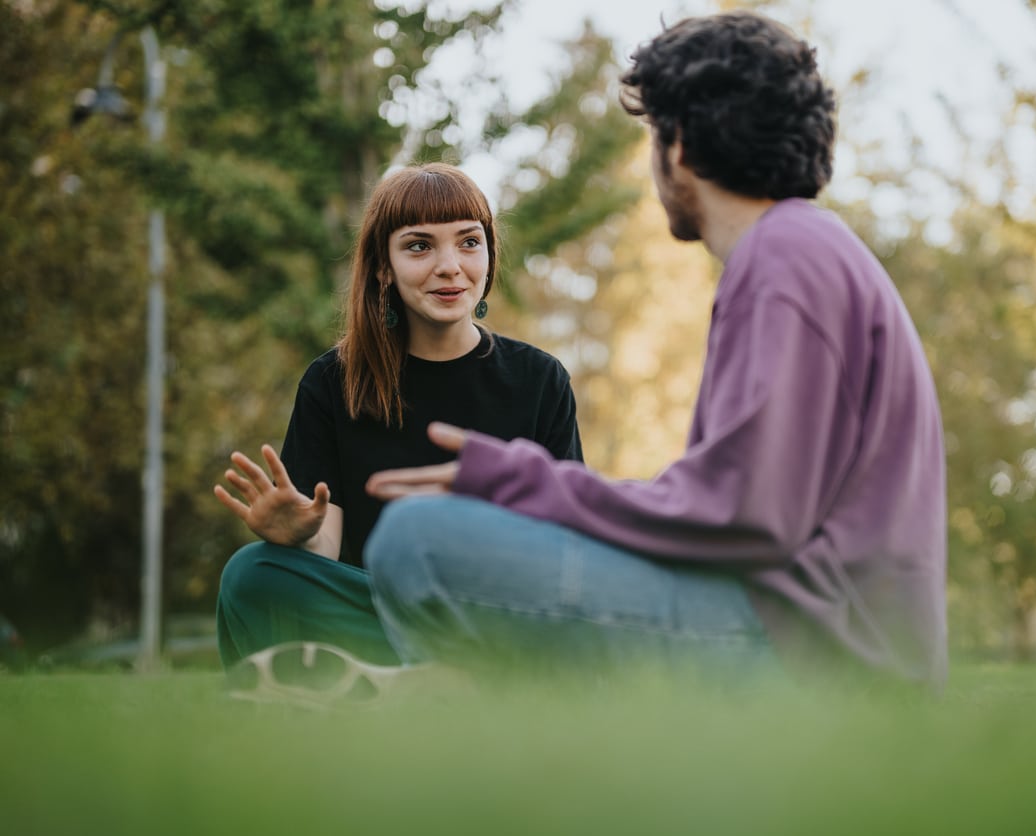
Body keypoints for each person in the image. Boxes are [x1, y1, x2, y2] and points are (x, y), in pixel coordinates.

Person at [355, 11, 948, 690]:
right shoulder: (811, 248)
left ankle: (460, 726)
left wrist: (520, 482)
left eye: (653, 137)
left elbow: (744, 515)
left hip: (812, 656)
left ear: (680, 146)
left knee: (418, 541)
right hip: (824, 638)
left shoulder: (784, 258)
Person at [213, 163, 584, 671]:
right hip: (381, 620)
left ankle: (440, 685)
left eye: (469, 242)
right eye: (419, 246)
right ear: (383, 266)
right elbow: (327, 547)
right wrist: (300, 538)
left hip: (498, 621)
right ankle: (426, 684)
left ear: (489, 256)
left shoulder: (542, 381)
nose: (451, 265)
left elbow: (566, 548)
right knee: (251, 574)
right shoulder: (332, 383)